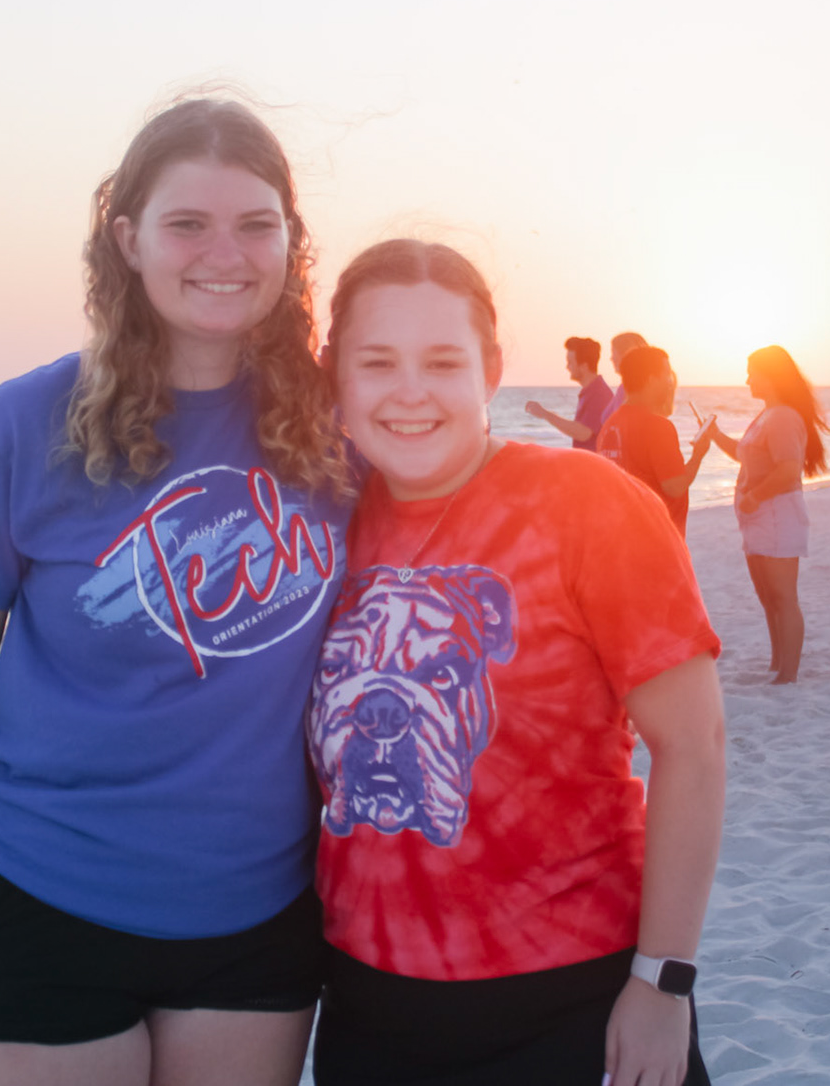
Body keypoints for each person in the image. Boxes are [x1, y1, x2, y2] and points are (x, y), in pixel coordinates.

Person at [0, 99, 354, 1086]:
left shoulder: (339, 432)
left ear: (291, 243)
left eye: (255, 224)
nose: (224, 253)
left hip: (258, 917)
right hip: (39, 897)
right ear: (128, 238)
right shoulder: (16, 429)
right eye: (188, 224)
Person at [310, 240, 723, 1086]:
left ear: (491, 369)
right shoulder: (319, 520)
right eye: (377, 362)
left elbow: (695, 746)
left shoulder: (586, 503)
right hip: (365, 1000)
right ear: (335, 375)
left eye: (443, 361)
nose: (411, 391)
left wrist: (662, 982)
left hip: (573, 994)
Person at [705, 345, 830, 685]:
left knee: (783, 597)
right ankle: (777, 664)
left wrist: (755, 497)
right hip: (757, 517)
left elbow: (788, 470)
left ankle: (788, 673)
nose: (747, 380)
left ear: (770, 375)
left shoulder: (784, 417)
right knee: (768, 598)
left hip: (776, 514)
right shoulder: (767, 415)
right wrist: (714, 435)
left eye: (752, 373)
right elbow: (746, 455)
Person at [598, 345, 712, 534]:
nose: (670, 383)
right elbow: (675, 486)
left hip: (623, 533)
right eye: (666, 375)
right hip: (658, 536)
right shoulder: (657, 426)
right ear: (651, 379)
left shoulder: (610, 425)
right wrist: (698, 455)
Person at [524, 336, 612, 451]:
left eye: (570, 362)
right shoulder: (590, 392)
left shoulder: (599, 393)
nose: (567, 367)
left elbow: (583, 433)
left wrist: (545, 414)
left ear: (584, 366)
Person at [599, 331, 650, 423]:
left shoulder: (635, 390)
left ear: (625, 355)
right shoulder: (623, 388)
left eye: (614, 353)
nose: (611, 358)